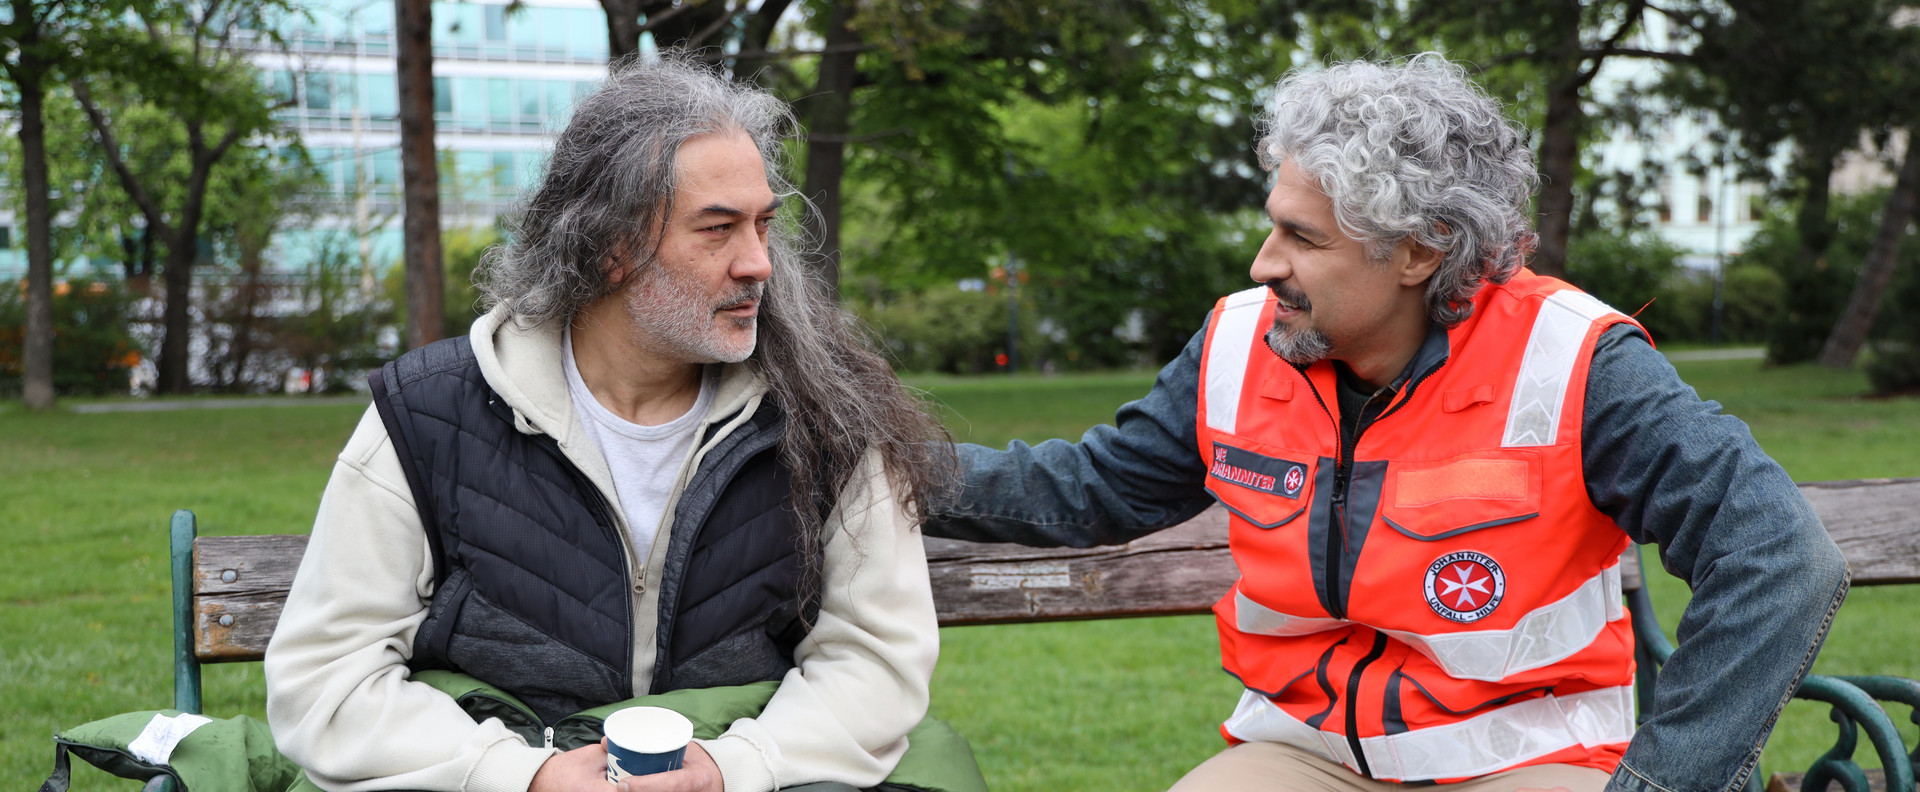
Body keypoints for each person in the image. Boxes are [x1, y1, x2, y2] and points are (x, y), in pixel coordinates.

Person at [923, 54, 1849, 792]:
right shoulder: (1238, 343)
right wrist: (868, 458)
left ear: (1417, 252)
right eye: (1272, 224)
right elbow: (1089, 491)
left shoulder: (1577, 362)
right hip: (1303, 753)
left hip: (1527, 759)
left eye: (1303, 239)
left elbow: (1780, 557)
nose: (1261, 263)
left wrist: (1665, 782)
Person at [265, 56, 960, 792]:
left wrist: (734, 768)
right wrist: (520, 777)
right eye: (717, 229)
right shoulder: (430, 414)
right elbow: (326, 682)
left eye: (763, 224)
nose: (759, 262)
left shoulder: (830, 413)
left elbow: (876, 662)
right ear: (611, 247)